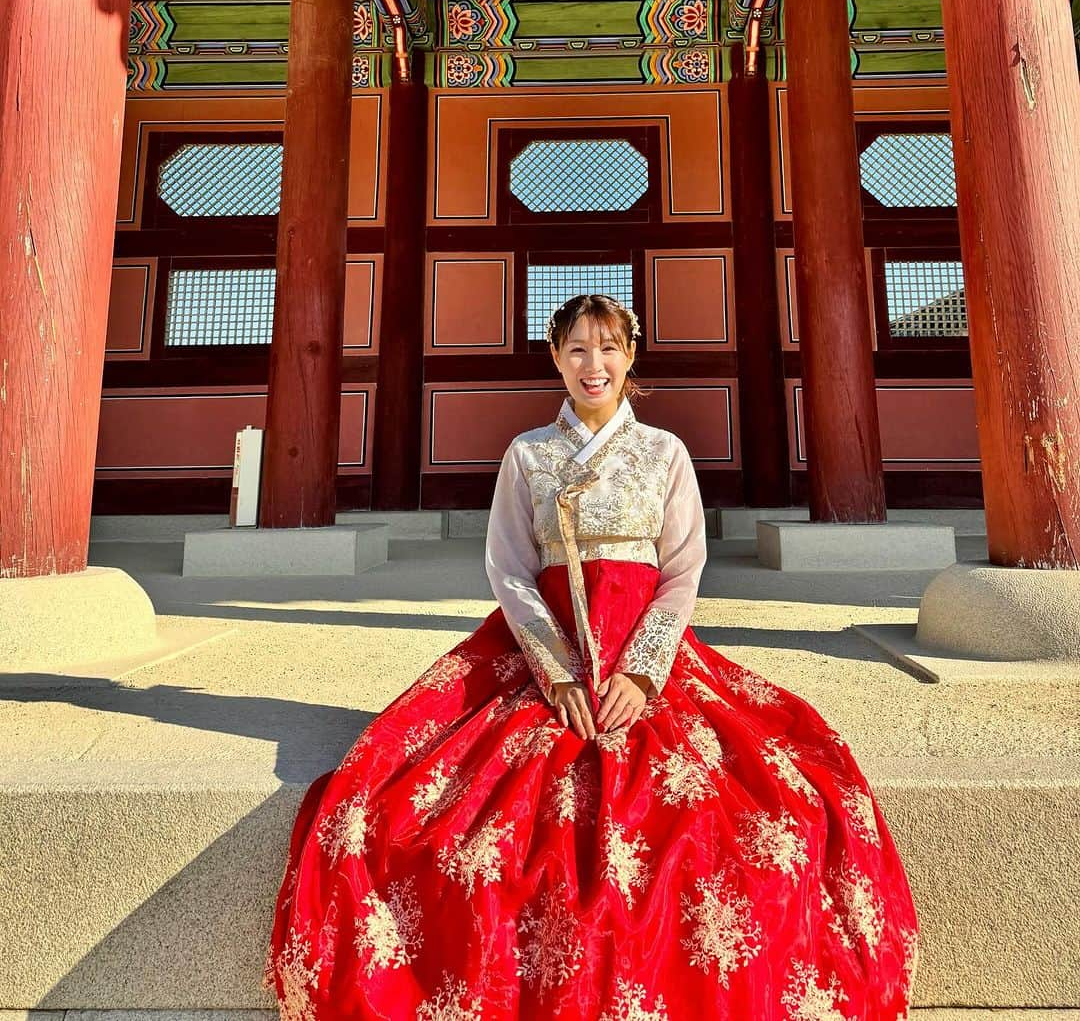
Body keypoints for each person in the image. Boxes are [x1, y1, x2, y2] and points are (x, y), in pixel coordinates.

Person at [265, 292, 921, 1020]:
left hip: (644, 638)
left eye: (607, 348)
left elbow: (682, 569)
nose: (593, 365)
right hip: (549, 639)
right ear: (555, 357)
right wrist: (553, 669)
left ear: (629, 356)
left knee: (755, 813)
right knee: (428, 817)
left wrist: (642, 671)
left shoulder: (663, 452)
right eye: (577, 349)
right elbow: (509, 568)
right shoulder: (529, 455)